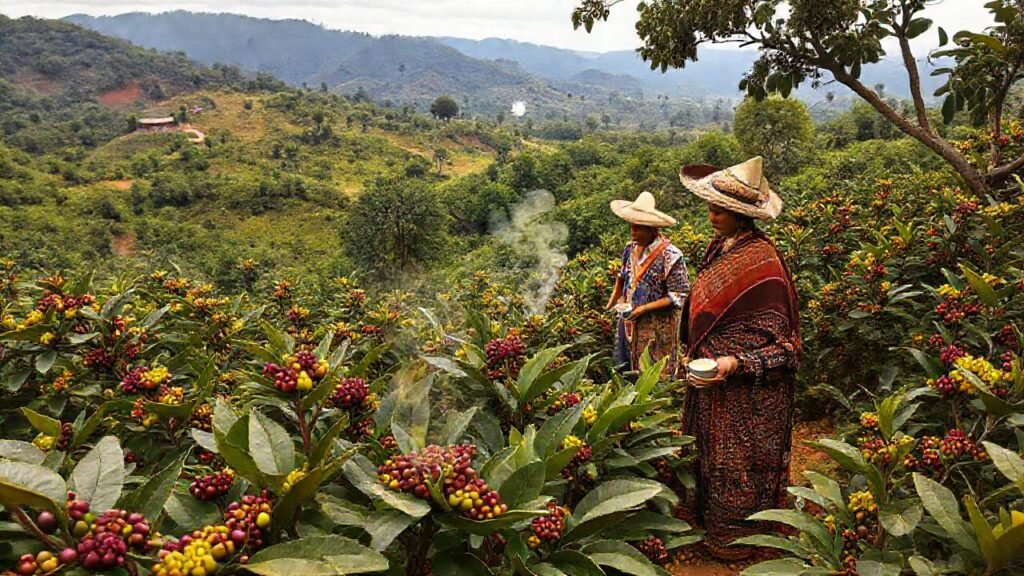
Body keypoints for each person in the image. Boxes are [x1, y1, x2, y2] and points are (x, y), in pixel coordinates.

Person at [676, 157, 802, 561]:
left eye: (719, 210)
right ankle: (708, 524)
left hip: (747, 393)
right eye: (710, 208)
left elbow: (785, 347)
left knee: (739, 463)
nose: (711, 216)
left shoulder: (764, 262)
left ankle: (739, 541)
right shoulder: (719, 248)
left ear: (740, 216)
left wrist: (735, 363)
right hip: (710, 382)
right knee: (710, 456)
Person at [605, 191, 689, 376]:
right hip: (629, 321)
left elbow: (679, 295)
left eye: (638, 228)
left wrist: (644, 309)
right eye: (631, 227)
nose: (633, 232)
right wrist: (615, 303)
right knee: (626, 368)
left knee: (653, 372)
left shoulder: (670, 255)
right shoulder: (630, 249)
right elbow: (623, 277)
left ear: (651, 229)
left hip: (656, 326)